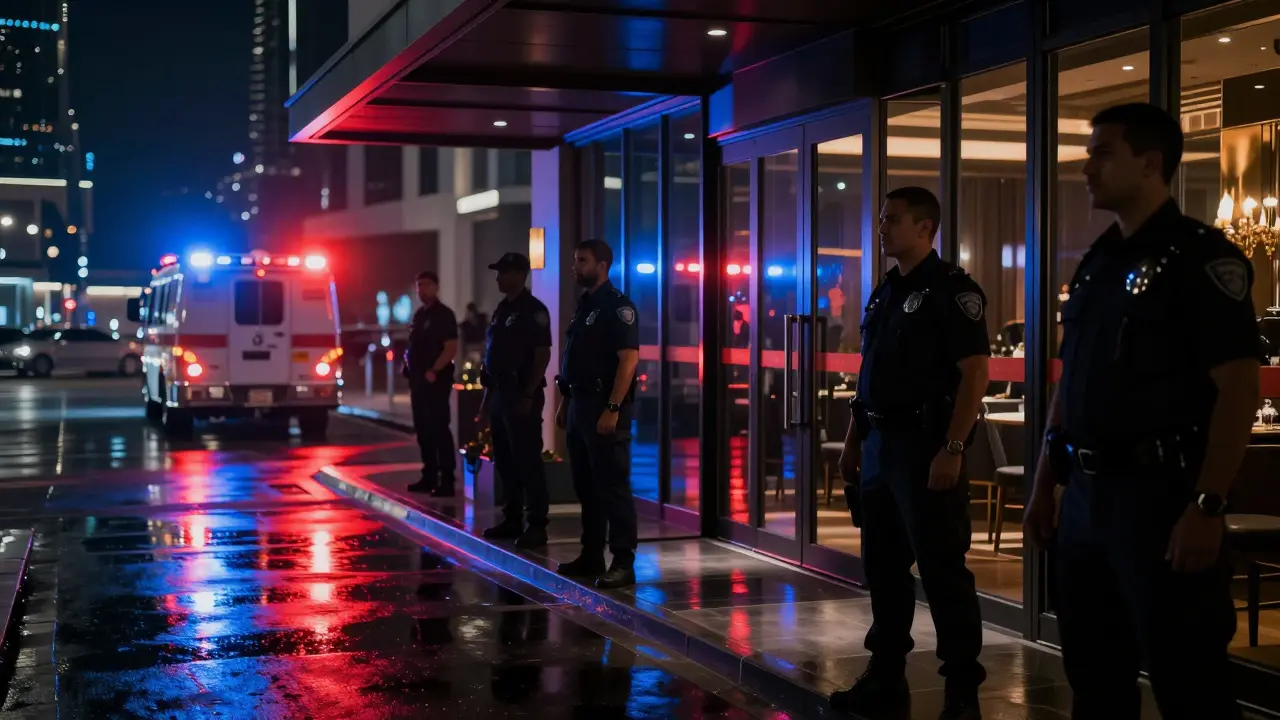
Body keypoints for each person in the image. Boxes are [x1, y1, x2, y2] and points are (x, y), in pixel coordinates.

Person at [1023, 103, 1258, 719]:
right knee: (1095, 677)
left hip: (1159, 496)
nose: (1088, 165)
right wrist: (1046, 482)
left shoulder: (1199, 259)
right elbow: (1071, 385)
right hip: (1087, 499)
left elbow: (1238, 388)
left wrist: (1208, 503)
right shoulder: (1099, 262)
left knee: (1189, 678)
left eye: (1103, 151)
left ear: (1150, 164)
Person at [833, 186, 990, 720]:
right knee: (883, 567)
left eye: (893, 220)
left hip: (926, 447)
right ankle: (886, 676)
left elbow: (975, 376)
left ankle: (962, 690)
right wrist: (855, 440)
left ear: (925, 228)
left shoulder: (953, 291)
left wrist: (952, 447)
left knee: (943, 570)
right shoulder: (884, 292)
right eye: (882, 219)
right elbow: (870, 375)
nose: (883, 228)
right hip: (879, 444)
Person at [553, 239, 640, 589]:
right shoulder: (585, 305)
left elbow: (628, 360)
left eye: (581, 260)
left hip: (604, 409)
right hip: (579, 406)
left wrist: (613, 408)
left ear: (602, 265)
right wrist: (565, 402)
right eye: (575, 259)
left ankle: (623, 561)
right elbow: (576, 361)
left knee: (612, 486)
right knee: (586, 486)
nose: (575, 266)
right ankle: (591, 554)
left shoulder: (617, 307)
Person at [478, 252, 553, 548]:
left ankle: (536, 524)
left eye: (503, 272)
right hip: (499, 393)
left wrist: (527, 393)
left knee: (527, 460)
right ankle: (512, 518)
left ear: (520, 274)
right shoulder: (501, 310)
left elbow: (541, 355)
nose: (498, 278)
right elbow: (492, 357)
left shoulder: (533, 310)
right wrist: (486, 402)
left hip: (521, 394)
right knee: (506, 460)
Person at [404, 270, 459, 497]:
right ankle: (429, 475)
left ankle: (447, 478)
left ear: (436, 287)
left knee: (438, 427)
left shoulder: (444, 315)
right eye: (418, 286)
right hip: (417, 380)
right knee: (423, 429)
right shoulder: (419, 315)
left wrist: (434, 369)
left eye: (426, 285)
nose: (421, 290)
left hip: (435, 379)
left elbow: (450, 346)